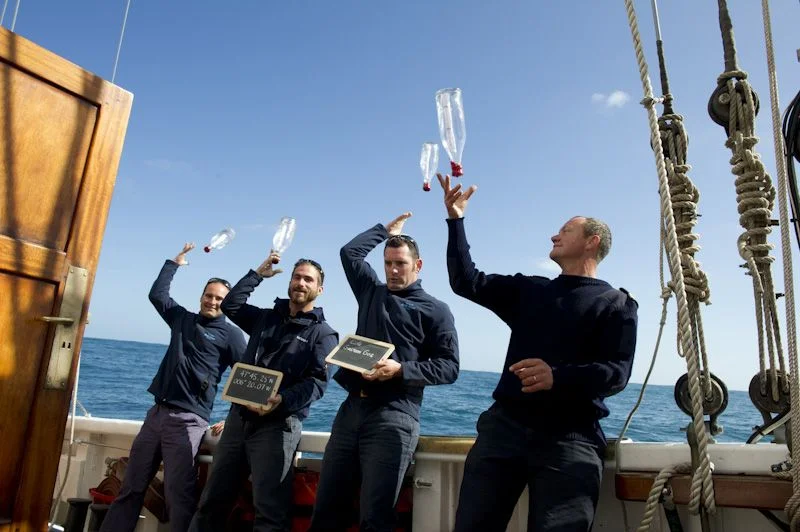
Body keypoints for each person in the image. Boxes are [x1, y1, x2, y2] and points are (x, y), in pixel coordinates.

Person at [437, 174, 639, 532]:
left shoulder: (616, 304)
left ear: (592, 242)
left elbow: (617, 373)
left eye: (565, 230)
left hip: (570, 439)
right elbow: (465, 280)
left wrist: (556, 377)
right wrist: (456, 220)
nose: (554, 235)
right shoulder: (530, 290)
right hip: (504, 430)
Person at [309, 212, 460, 532]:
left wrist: (400, 370)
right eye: (388, 263)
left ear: (417, 266)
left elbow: (450, 367)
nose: (392, 270)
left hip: (395, 415)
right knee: (326, 509)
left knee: (375, 516)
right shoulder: (371, 291)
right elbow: (349, 253)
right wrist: (384, 231)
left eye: (400, 264)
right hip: (351, 410)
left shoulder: (436, 310)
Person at [101, 243, 247, 532]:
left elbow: (246, 378)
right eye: (208, 295)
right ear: (201, 296)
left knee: (178, 496)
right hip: (155, 415)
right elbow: (157, 295)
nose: (212, 301)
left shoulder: (232, 335)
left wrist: (231, 417)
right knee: (130, 488)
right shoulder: (182, 319)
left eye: (219, 298)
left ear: (227, 303)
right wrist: (174, 263)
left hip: (189, 421)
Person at [189, 253, 339, 532]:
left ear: (319, 289)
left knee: (269, 513)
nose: (300, 283)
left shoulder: (324, 334)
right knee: (211, 502)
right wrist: (257, 274)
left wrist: (282, 400)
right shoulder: (266, 318)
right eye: (297, 277)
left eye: (308, 279)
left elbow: (317, 383)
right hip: (238, 421)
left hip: (277, 427)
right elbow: (232, 305)